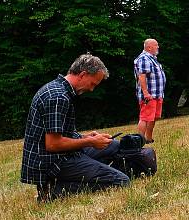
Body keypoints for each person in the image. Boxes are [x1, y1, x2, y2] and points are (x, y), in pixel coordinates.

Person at [21, 54, 129, 201]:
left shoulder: (59, 90)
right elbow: (53, 144)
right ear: (83, 75)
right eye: (93, 84)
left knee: (115, 146)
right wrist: (91, 142)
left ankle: (84, 175)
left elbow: (61, 134)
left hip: (62, 155)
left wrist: (86, 137)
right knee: (121, 181)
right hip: (53, 163)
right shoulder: (58, 97)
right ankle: (53, 191)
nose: (92, 89)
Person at [134, 38, 166, 144]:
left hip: (157, 94)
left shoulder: (152, 58)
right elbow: (142, 76)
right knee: (145, 117)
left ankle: (148, 138)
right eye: (156, 45)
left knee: (153, 117)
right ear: (149, 47)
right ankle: (140, 140)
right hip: (149, 95)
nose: (158, 47)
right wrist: (145, 92)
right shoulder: (144, 58)